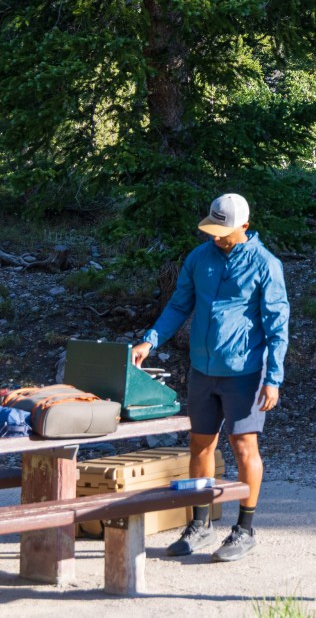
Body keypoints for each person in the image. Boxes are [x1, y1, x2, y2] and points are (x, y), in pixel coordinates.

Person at [131, 191, 290, 562]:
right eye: (212, 230)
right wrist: (149, 340)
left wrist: (274, 378)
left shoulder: (266, 265)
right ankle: (200, 524)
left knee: (244, 447)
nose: (215, 237)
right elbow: (179, 304)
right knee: (200, 445)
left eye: (224, 231)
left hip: (246, 372)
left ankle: (244, 530)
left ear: (245, 227)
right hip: (202, 370)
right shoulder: (198, 258)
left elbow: (278, 325)